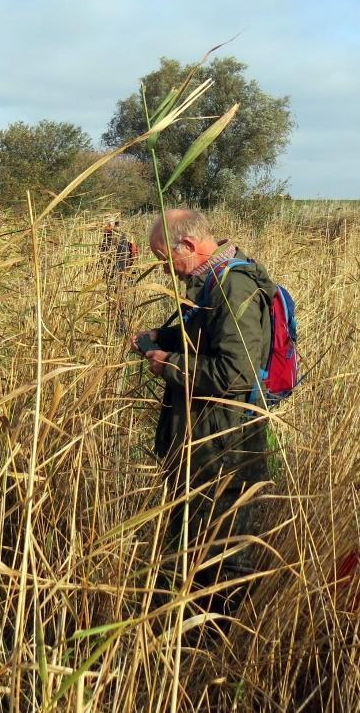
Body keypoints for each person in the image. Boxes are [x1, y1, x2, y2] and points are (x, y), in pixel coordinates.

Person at [132, 209, 277, 615]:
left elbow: (234, 371)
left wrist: (169, 365)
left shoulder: (233, 287)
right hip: (203, 447)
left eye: (165, 259)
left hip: (225, 451)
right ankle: (190, 637)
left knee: (223, 563)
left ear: (190, 246)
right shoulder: (208, 285)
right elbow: (204, 340)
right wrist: (160, 338)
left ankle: (220, 654)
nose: (165, 270)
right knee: (189, 553)